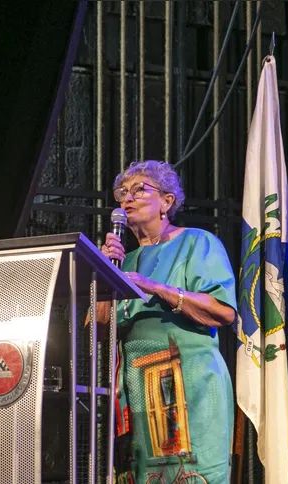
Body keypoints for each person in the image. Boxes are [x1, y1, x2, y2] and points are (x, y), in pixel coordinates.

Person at [93, 160, 237, 484]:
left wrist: (155, 287)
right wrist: (102, 273)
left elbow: (224, 312)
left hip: (191, 392)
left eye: (139, 190)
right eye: (122, 193)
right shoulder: (123, 262)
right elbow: (98, 330)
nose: (127, 199)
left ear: (167, 202)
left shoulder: (197, 243)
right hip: (137, 400)